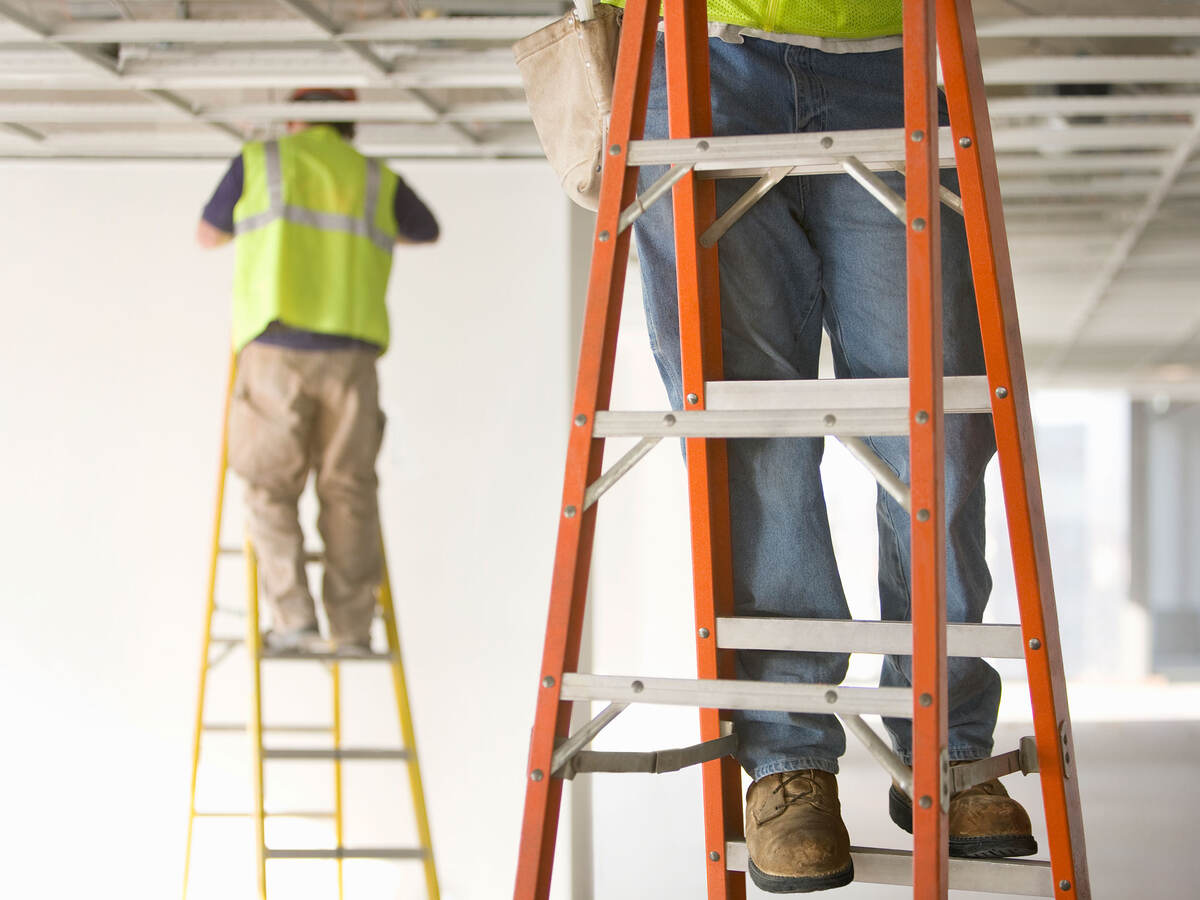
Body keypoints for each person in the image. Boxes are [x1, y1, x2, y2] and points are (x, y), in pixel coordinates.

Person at [607, 1, 1037, 892]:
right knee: (751, 436)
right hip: (698, 59)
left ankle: (948, 748)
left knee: (945, 430)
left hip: (887, 56)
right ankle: (789, 763)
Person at [197, 88, 439, 656]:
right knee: (349, 491)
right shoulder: (373, 176)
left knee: (268, 486)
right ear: (348, 122)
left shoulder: (262, 161)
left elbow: (207, 235)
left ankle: (293, 620)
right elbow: (425, 230)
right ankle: (352, 630)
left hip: (276, 350)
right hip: (352, 359)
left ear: (294, 117)